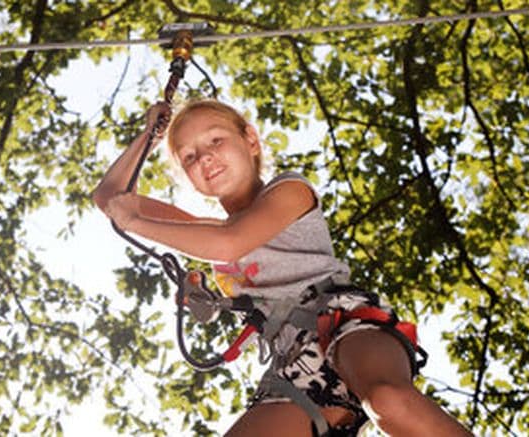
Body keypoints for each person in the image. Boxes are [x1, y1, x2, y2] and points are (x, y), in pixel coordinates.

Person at [92, 99, 472, 436]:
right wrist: (148, 138)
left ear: (251, 140)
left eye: (215, 140)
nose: (204, 157)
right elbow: (110, 197)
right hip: (293, 360)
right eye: (189, 157)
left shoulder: (290, 191)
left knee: (388, 400)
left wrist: (136, 222)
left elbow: (230, 241)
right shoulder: (209, 233)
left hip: (343, 323)